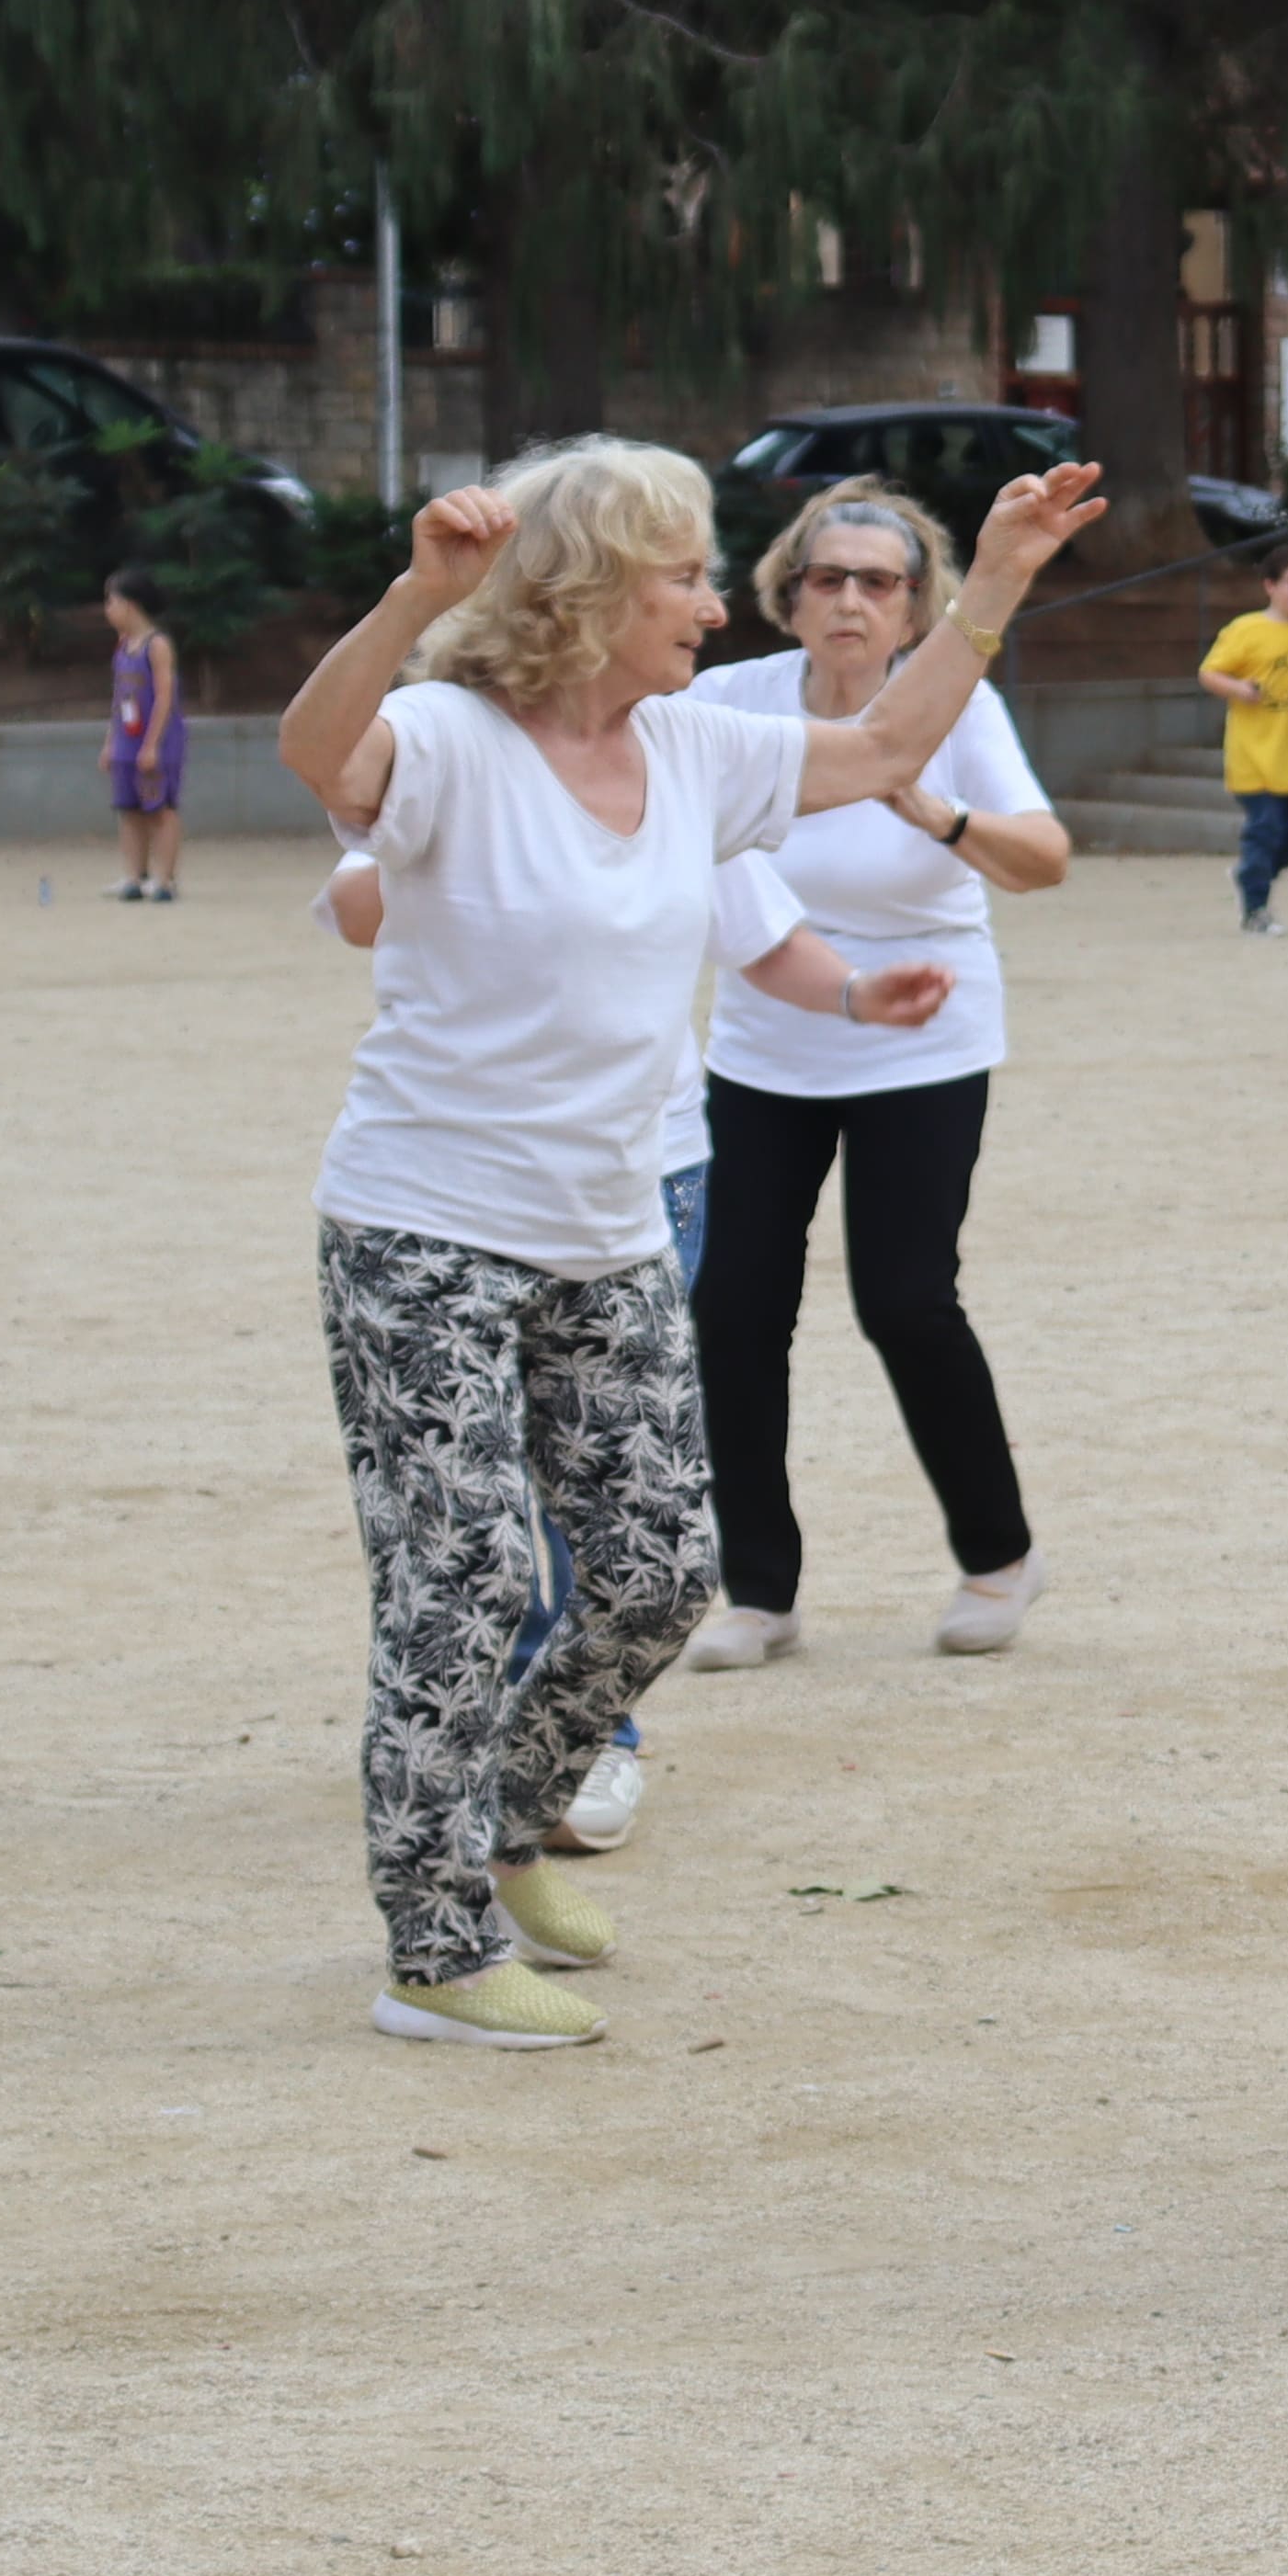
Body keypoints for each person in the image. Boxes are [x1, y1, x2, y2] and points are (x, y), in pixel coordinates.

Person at [279, 437, 1098, 2048]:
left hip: (604, 1235)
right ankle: (430, 1951)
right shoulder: (446, 739)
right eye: (681, 574)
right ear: (584, 592)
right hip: (424, 1228)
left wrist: (994, 579)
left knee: (661, 1571)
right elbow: (321, 749)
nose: (717, 607)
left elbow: (885, 744)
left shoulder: (699, 749)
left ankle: (508, 1823)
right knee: (457, 1582)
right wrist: (412, 598)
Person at [321, 843, 942, 1856]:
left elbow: (761, 930)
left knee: (615, 1484)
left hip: (642, 1169)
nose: (683, 670)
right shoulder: (449, 744)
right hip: (456, 1175)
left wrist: (860, 992)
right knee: (470, 1496)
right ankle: (484, 1741)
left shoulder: (676, 752)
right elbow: (357, 906)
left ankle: (582, 1732)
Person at [677, 481, 1077, 1672]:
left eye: (878, 581)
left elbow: (1044, 861)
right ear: (787, 595)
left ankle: (999, 1557)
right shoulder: (724, 704)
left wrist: (933, 808)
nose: (849, 600)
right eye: (827, 577)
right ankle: (759, 1588)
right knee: (733, 1306)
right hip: (764, 1044)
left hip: (926, 1036)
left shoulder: (954, 709)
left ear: (917, 607)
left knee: (904, 1298)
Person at [1201, 546, 1288, 933]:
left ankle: (1251, 875)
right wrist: (1239, 688)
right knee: (1265, 828)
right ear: (1270, 586)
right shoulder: (1245, 629)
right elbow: (1210, 673)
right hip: (1252, 752)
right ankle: (1256, 910)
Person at [104, 567, 188, 902]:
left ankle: (165, 879)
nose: (107, 609)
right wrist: (110, 742)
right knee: (128, 809)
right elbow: (118, 698)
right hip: (126, 738)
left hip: (157, 742)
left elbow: (166, 696)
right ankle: (134, 876)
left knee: (160, 809)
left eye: (110, 601)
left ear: (130, 604)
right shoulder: (122, 647)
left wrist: (152, 744)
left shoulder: (158, 645)